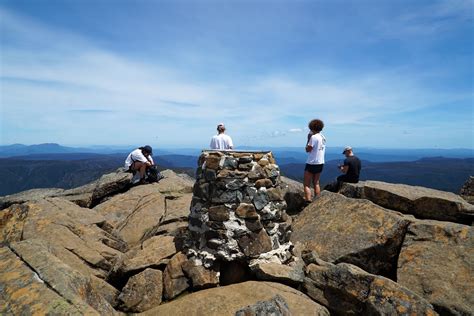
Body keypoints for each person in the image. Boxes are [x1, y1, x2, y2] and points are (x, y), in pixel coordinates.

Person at [304, 119, 326, 203]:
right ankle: (317, 202)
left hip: (311, 162)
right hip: (320, 162)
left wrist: (308, 139)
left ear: (312, 127)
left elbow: (308, 149)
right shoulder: (323, 137)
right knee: (316, 183)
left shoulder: (313, 137)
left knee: (306, 184)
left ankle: (308, 202)